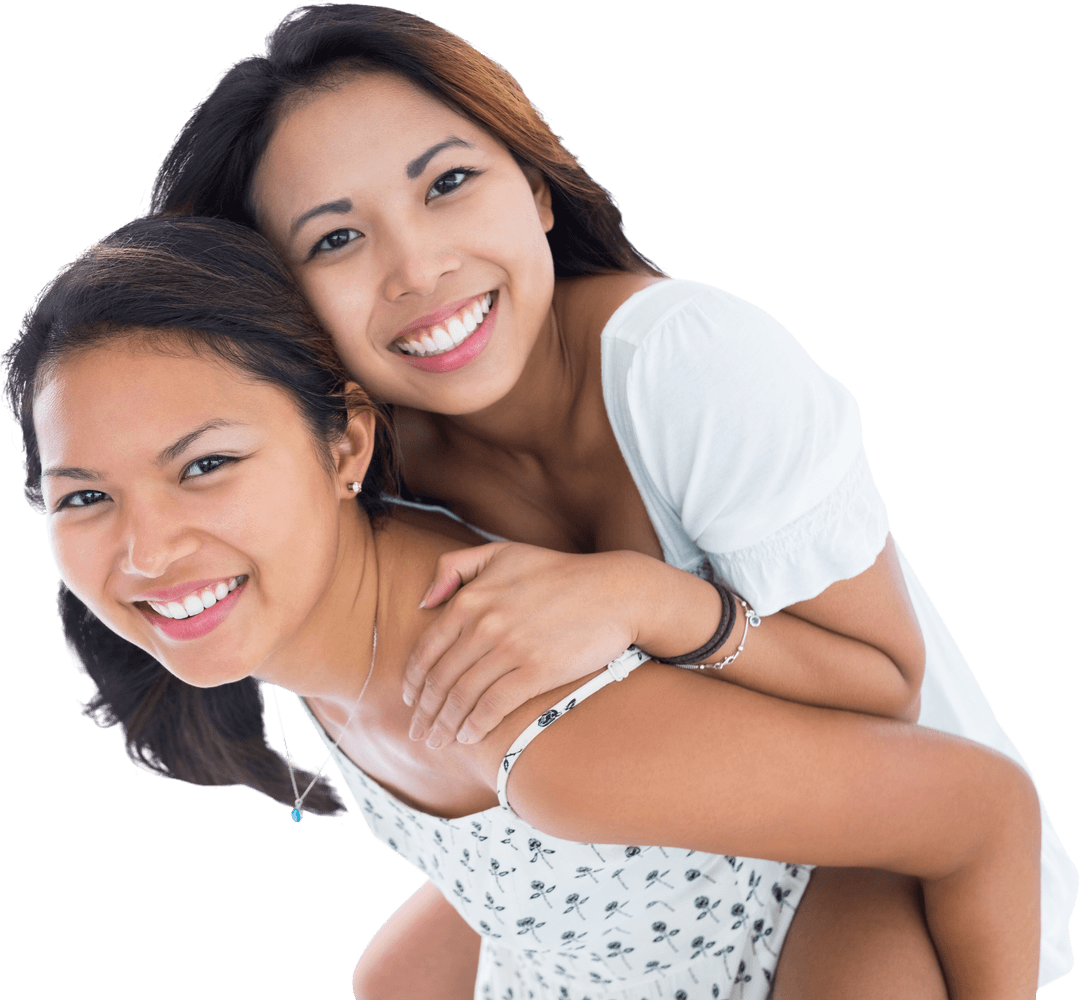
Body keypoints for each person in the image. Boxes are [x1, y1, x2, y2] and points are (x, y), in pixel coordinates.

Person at [146, 4, 1076, 992]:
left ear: (538, 188)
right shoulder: (362, 458)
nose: (419, 269)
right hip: (666, 836)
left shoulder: (689, 365)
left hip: (874, 817)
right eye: (336, 239)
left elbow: (888, 689)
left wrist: (641, 598)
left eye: (450, 184)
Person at [2, 214, 1043, 1000]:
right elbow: (495, 860)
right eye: (83, 496)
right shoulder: (307, 620)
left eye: (208, 464)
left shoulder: (542, 729)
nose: (147, 551)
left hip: (800, 936)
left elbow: (984, 808)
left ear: (346, 444)